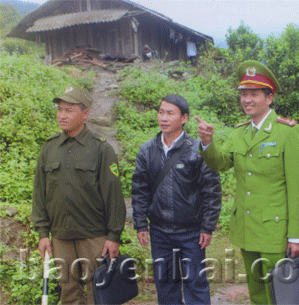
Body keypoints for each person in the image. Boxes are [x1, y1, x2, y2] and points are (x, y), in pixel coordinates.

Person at [195, 60, 299, 305]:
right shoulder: (239, 132)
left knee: (282, 294)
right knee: (257, 292)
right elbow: (221, 162)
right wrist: (207, 142)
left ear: (269, 98)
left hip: (275, 230)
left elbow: (298, 188)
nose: (247, 99)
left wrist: (296, 236)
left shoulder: (287, 132)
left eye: (254, 94)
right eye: (244, 94)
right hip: (247, 228)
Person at [32, 86, 126, 304]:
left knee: (100, 291)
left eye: (69, 110)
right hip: (60, 236)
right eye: (60, 109)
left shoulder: (101, 149)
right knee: (69, 291)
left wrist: (113, 236)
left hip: (94, 236)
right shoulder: (49, 148)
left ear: (85, 114)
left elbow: (113, 195)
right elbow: (39, 193)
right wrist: (43, 232)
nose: (62, 115)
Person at [131, 94, 222, 305]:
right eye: (161, 112)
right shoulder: (147, 150)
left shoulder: (196, 150)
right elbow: (140, 189)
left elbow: (211, 190)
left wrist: (207, 227)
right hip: (159, 232)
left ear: (184, 118)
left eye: (170, 113)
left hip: (191, 232)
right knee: (165, 285)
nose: (163, 118)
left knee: (195, 283)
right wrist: (140, 224)